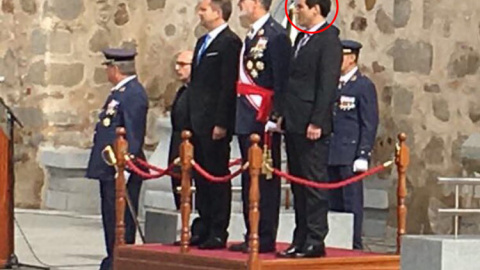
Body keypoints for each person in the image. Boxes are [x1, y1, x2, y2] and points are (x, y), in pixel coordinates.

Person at [277, 0, 342, 259]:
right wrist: (282, 114)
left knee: (313, 183)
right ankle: (300, 236)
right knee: (298, 184)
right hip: (294, 119)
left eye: (302, 5)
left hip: (311, 123)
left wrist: (317, 120)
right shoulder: (302, 38)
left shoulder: (328, 40)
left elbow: (327, 84)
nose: (297, 10)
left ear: (317, 9)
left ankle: (315, 238)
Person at [229, 0, 291, 254]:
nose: (239, 5)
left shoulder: (276, 36)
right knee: (248, 176)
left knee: (265, 178)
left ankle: (265, 235)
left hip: (262, 115)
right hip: (246, 114)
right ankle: (251, 229)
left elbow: (281, 79)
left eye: (243, 1)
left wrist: (275, 115)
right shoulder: (252, 34)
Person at [85, 48, 148, 270]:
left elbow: (133, 132)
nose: (107, 72)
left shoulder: (133, 94)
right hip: (109, 166)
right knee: (110, 218)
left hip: (120, 168)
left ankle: (120, 259)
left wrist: (126, 167)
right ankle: (112, 257)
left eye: (108, 67)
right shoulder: (120, 92)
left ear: (116, 69)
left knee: (121, 220)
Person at [187, 0, 242, 249]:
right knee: (201, 177)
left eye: (203, 9)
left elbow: (227, 86)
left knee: (216, 175)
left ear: (218, 13)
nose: (199, 13)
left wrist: (222, 121)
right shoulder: (203, 42)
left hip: (214, 122)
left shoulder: (229, 43)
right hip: (197, 120)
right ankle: (204, 224)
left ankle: (218, 230)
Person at [328, 40, 379, 250]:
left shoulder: (363, 85)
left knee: (352, 202)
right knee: (333, 202)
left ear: (352, 58)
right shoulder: (333, 83)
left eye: (341, 56)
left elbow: (369, 122)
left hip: (350, 153)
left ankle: (354, 244)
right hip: (332, 151)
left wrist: (363, 153)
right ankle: (337, 242)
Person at [169, 50, 193, 210]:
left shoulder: (196, 92)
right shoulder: (182, 91)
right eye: (177, 64)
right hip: (177, 145)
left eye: (183, 65)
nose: (178, 68)